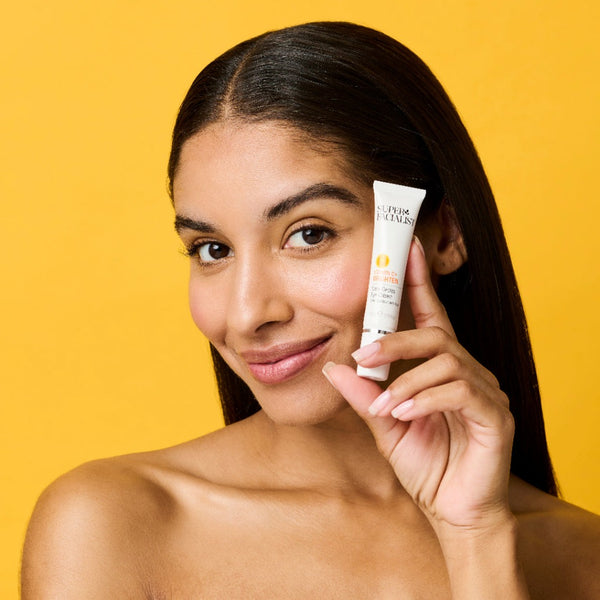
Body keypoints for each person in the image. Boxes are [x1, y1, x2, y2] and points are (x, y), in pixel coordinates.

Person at [21, 21, 600, 599]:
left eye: (309, 235)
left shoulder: (581, 558)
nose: (247, 314)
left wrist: (475, 537)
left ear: (444, 235)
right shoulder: (110, 527)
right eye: (212, 250)